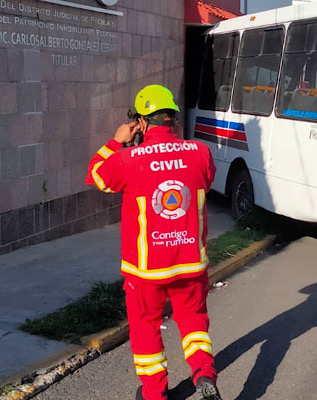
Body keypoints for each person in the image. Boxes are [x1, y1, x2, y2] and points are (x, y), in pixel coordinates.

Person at [85, 85, 220, 400]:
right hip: (190, 263)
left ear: (141, 122)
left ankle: (155, 394)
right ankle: (204, 375)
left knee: (146, 328)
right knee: (194, 322)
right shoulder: (199, 152)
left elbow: (97, 175)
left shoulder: (129, 159)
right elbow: (207, 180)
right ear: (173, 119)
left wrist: (115, 142)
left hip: (146, 270)